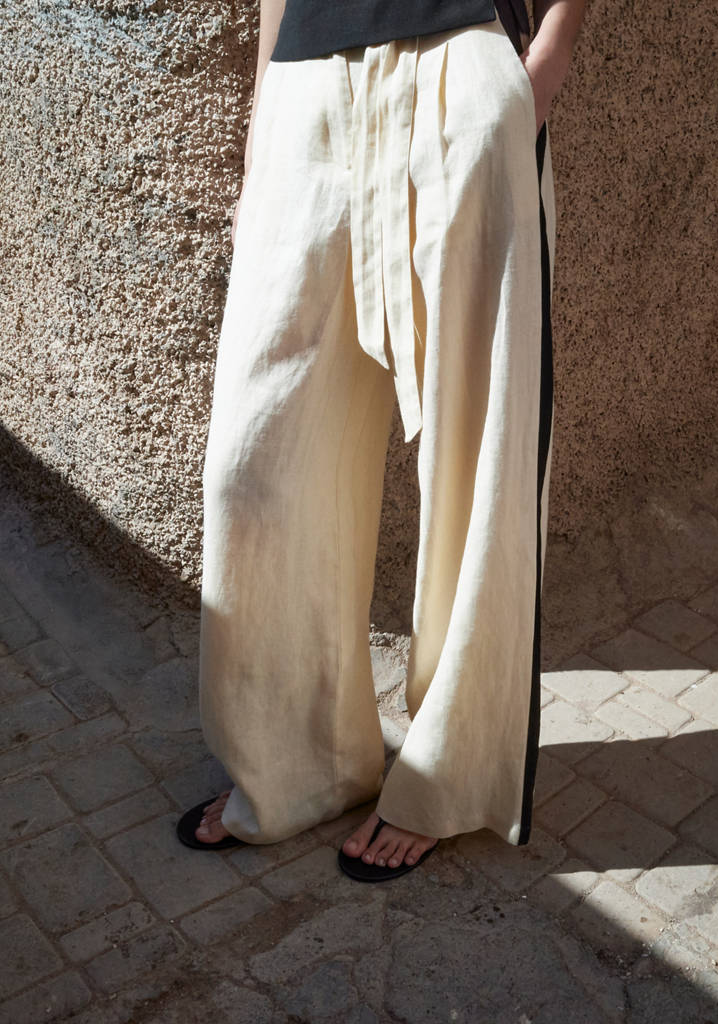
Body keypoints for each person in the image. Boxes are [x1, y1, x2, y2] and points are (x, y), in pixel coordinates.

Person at [176, 0, 587, 881]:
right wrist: (258, 140)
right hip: (306, 88)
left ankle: (445, 774)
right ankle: (303, 765)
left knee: (477, 454)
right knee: (253, 469)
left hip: (462, 60)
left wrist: (543, 66)